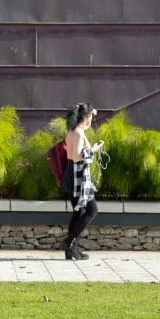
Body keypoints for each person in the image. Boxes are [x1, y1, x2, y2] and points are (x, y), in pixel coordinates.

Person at [61, 103, 104, 261]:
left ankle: (72, 250)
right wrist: (93, 150)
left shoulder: (73, 130)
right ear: (85, 117)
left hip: (71, 174)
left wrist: (90, 110)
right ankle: (69, 242)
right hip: (77, 175)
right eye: (91, 116)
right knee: (92, 210)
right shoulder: (78, 133)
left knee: (78, 212)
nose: (92, 119)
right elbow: (77, 155)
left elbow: (81, 130)